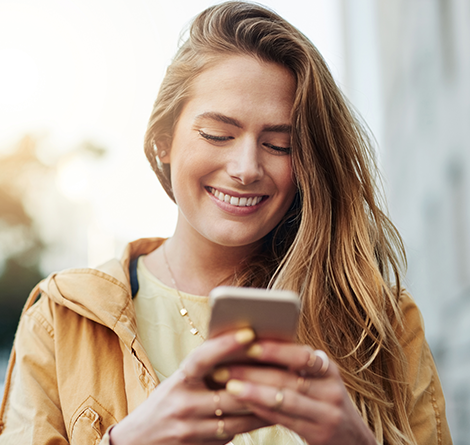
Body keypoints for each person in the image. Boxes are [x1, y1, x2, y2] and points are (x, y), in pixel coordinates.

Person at [0, 1, 452, 444]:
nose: (246, 167)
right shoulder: (63, 318)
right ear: (163, 142)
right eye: (218, 134)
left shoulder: (378, 320)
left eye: (279, 145)